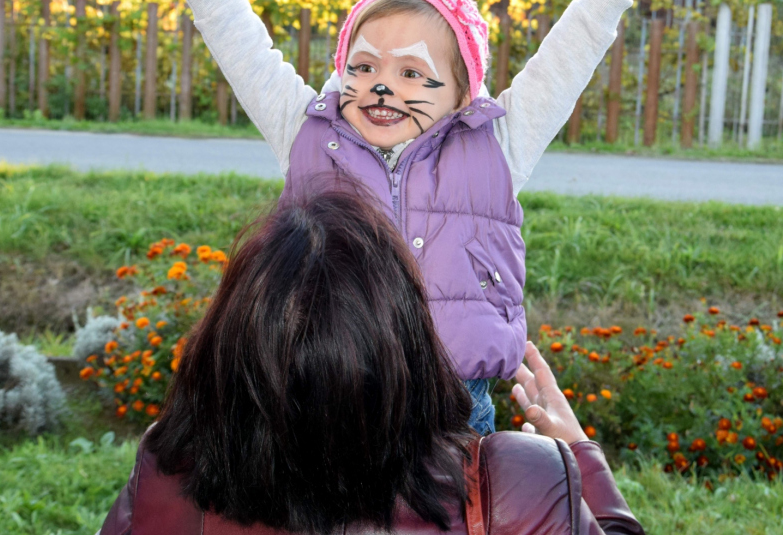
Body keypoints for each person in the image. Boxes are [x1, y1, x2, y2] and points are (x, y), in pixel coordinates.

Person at [184, 0, 633, 434]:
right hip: (325, 394)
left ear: (462, 91)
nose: (382, 87)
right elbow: (238, 41)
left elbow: (568, 55)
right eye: (363, 68)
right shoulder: (306, 134)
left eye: (411, 72)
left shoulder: (499, 145)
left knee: (450, 512)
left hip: (454, 403)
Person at [99, 191, 644, 535]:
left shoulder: (168, 473)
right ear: (410, 341)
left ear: (228, 348)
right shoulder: (515, 484)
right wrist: (576, 452)